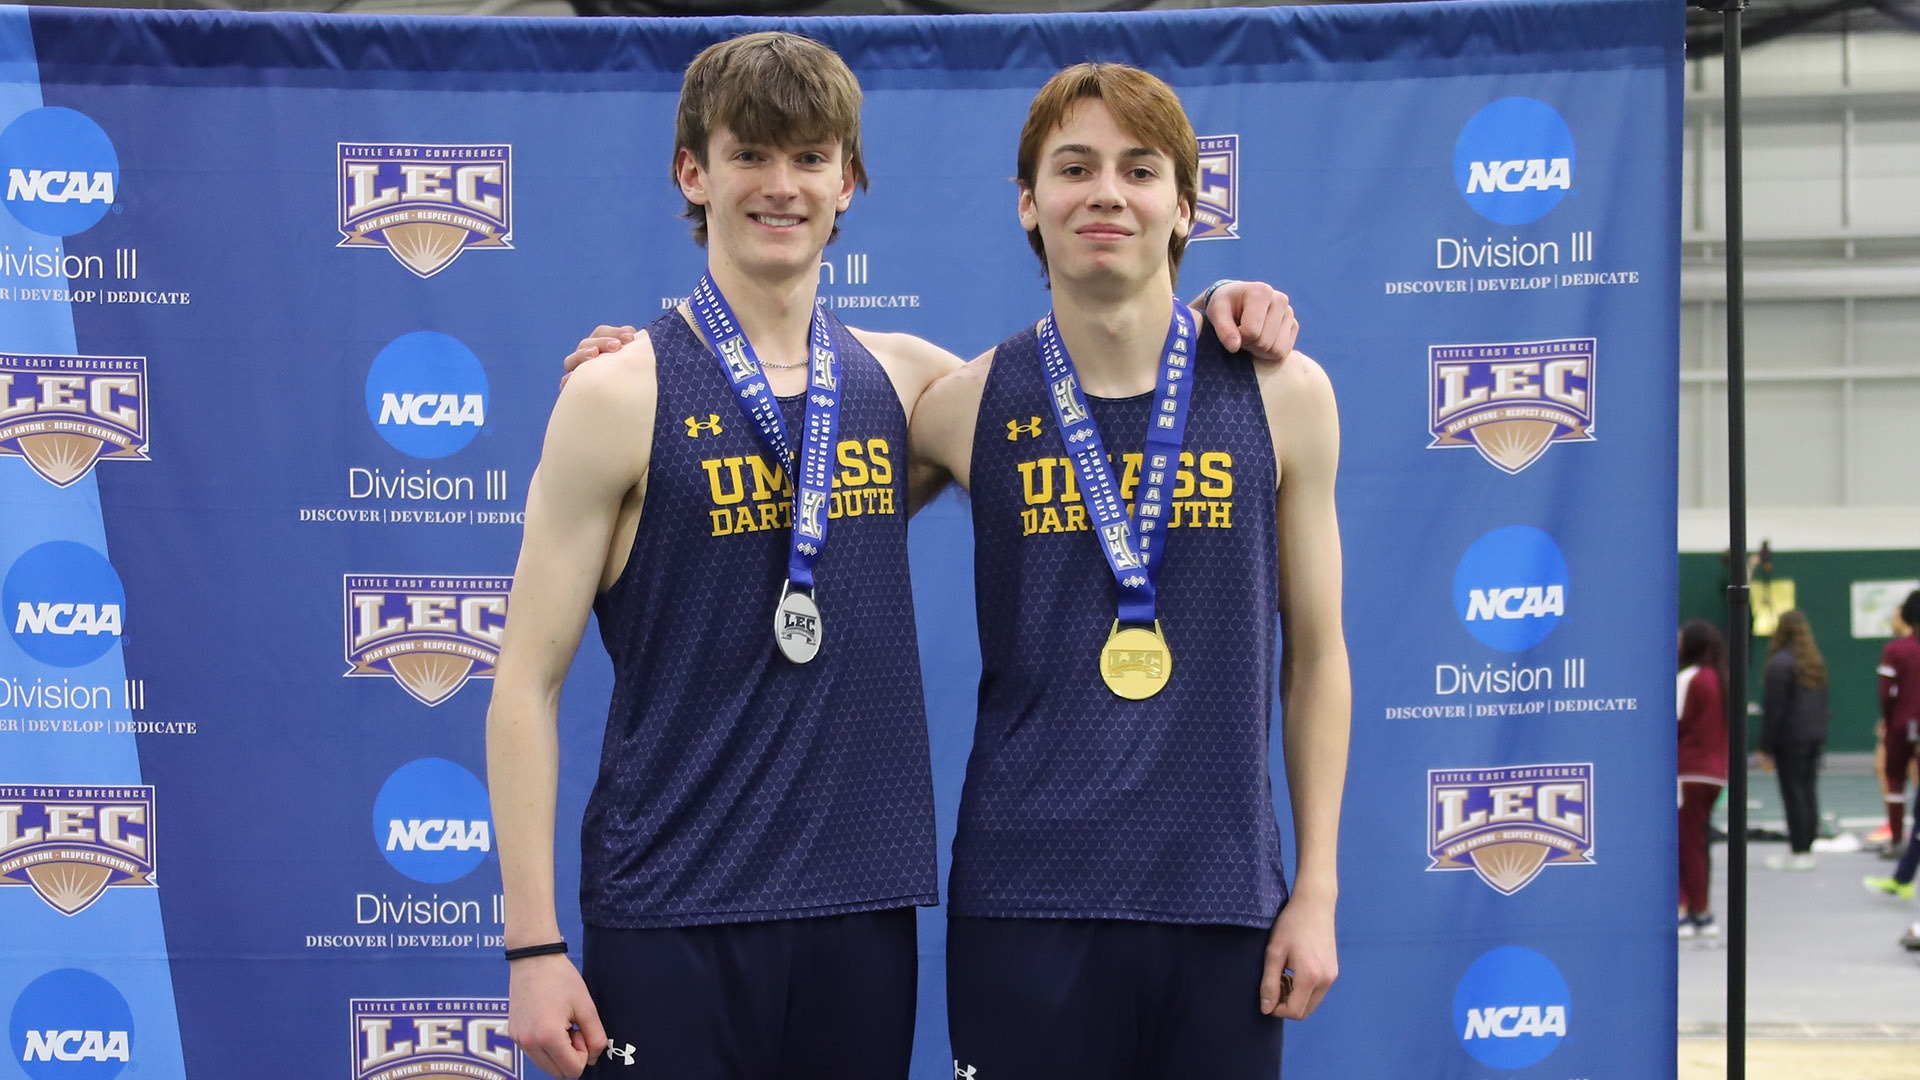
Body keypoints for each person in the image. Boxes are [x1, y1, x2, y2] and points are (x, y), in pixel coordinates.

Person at [507, 32, 1299, 1080]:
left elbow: (1106, 382)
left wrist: (1222, 308)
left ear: (850, 182)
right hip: (670, 906)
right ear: (694, 174)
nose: (780, 186)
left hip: (861, 915)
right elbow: (523, 682)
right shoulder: (619, 395)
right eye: (749, 155)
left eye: (810, 158)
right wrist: (532, 944)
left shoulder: (905, 386)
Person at [909, 63, 1348, 1077]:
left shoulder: (1283, 395)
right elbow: (799, 434)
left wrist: (1314, 887)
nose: (1107, 191)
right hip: (1025, 899)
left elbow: (1319, 657)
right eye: (1075, 167)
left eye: (1139, 169)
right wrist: (650, 367)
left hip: (1221, 897)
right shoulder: (967, 404)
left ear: (1185, 205)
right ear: (1030, 201)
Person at [1756, 609, 1829, 871]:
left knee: (1794, 793)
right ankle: (1805, 846)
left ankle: (1799, 849)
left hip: (1791, 739)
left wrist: (1765, 746)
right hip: (1813, 737)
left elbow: (1774, 709)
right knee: (1807, 790)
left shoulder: (1780, 663)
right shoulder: (1814, 661)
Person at [1866, 591, 1920, 901]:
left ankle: (1897, 838)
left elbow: (1886, 693)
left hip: (1902, 722)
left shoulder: (1896, 650)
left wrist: (1889, 719)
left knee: (1894, 777)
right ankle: (1903, 867)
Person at [1677, 619, 1728, 938]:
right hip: (1716, 775)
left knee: (1685, 843)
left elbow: (1675, 723)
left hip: (1688, 772)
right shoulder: (1722, 678)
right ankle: (1702, 910)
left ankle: (1684, 909)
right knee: (1699, 842)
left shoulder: (1689, 678)